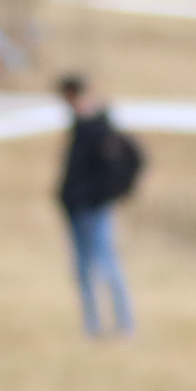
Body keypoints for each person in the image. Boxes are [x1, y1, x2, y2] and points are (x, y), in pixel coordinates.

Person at [55, 75, 141, 340]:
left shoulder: (100, 128)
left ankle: (124, 326)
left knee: (107, 265)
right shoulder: (81, 125)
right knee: (83, 269)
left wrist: (102, 196)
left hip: (93, 207)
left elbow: (121, 164)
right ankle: (93, 328)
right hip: (77, 207)